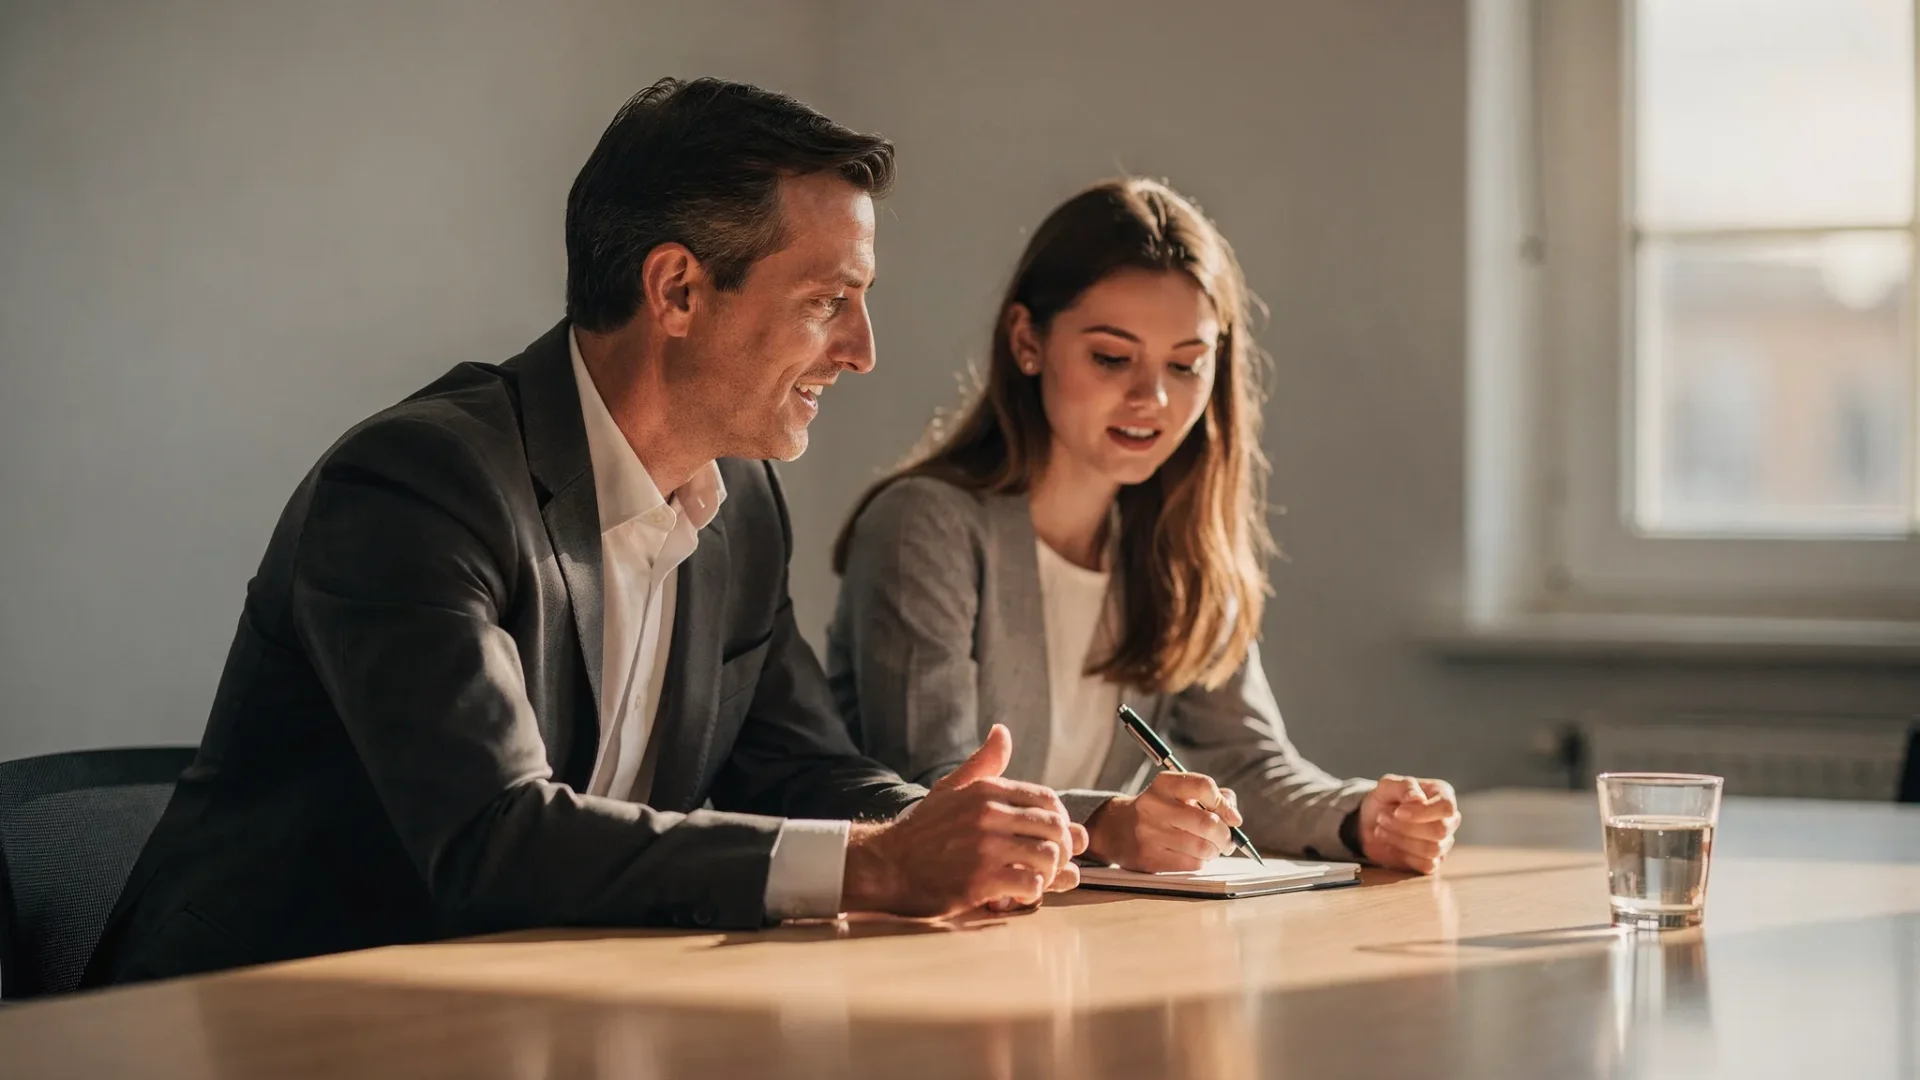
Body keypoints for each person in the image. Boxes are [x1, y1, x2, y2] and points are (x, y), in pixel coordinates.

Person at [83, 77, 1086, 987]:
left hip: (529, 1007)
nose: (861, 351)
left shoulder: (741, 505)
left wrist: (985, 827)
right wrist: (875, 866)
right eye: (829, 302)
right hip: (258, 1016)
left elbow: (796, 768)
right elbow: (492, 838)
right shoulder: (417, 485)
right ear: (677, 290)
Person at [827, 177, 1459, 875]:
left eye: (1186, 365)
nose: (1151, 397)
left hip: (1081, 922)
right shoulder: (926, 527)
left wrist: (1363, 816)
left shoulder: (1181, 545)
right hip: (921, 921)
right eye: (1111, 357)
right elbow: (934, 788)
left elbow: (1245, 767)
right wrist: (1108, 827)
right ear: (1027, 341)